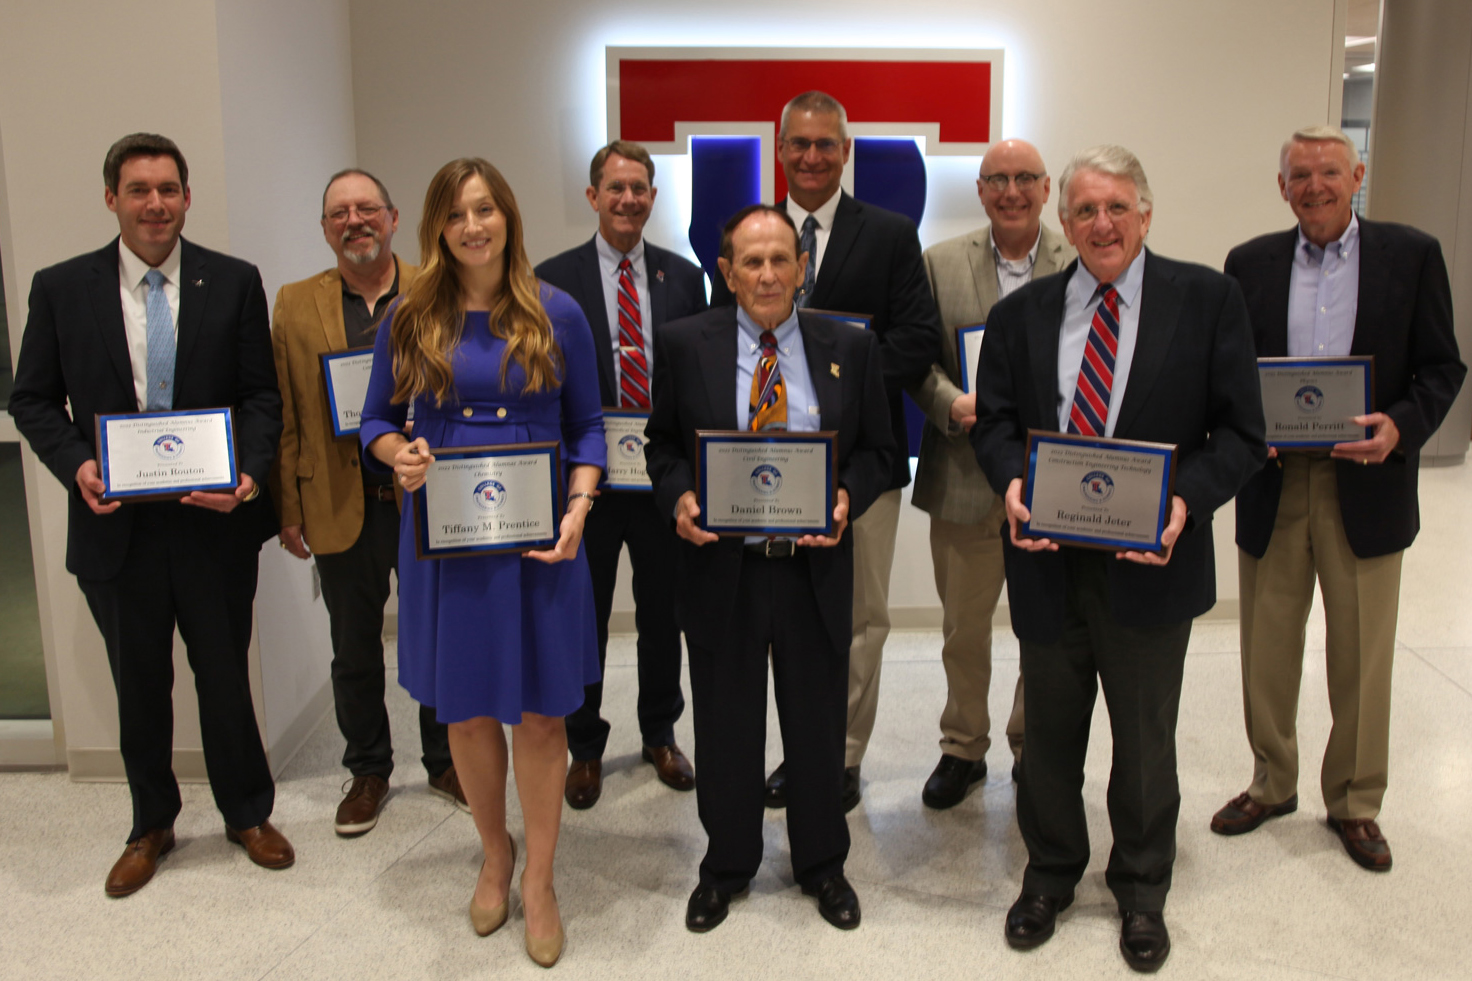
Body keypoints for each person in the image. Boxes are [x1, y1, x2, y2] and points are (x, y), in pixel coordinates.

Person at [970, 145, 1266, 971]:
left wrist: (1183, 502)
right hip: (1047, 560)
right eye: (1086, 210)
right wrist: (1011, 487)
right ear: (1064, 224)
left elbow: (1243, 433)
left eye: (1118, 207)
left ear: (1145, 214)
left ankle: (1141, 888)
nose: (1103, 223)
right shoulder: (1023, 315)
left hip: (1153, 565)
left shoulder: (1208, 300)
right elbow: (992, 424)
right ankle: (1051, 874)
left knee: (1144, 742)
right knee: (1050, 737)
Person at [8, 133, 292, 896]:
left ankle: (246, 811)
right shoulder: (60, 287)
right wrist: (78, 464)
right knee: (139, 684)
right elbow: (30, 397)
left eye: (169, 188)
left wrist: (248, 473)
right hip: (116, 530)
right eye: (139, 190)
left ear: (187, 197)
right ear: (113, 199)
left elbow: (262, 397)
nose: (156, 204)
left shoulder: (232, 282)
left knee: (225, 676)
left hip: (213, 525)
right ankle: (151, 823)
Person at [358, 158, 604, 968]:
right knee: (466, 710)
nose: (474, 225)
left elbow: (589, 429)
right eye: (457, 212)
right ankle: (494, 854)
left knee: (539, 712)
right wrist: (400, 456)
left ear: (508, 217)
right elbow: (374, 424)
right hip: (449, 539)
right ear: (435, 225)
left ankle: (541, 878)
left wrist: (578, 508)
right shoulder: (408, 313)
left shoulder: (556, 310)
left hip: (540, 539)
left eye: (486, 208)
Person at [1214, 126, 1464, 871]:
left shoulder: (1412, 254)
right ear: (1281, 185)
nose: (1314, 186)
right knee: (1267, 646)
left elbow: (1442, 367)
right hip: (1274, 481)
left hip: (1368, 480)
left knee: (1361, 653)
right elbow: (1229, 371)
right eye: (1299, 175)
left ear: (1357, 175)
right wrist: (1241, 427)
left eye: (1329, 171)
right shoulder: (1248, 263)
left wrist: (1401, 426)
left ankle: (1355, 799)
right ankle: (1271, 780)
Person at [644, 205, 894, 933]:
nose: (767, 273)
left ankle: (822, 863)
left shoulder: (848, 343)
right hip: (723, 568)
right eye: (750, 261)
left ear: (802, 267)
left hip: (813, 568)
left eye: (781, 259)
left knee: (818, 724)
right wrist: (677, 499)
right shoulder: (685, 343)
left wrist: (847, 497)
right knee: (725, 725)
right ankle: (726, 863)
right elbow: (659, 448)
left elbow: (881, 450)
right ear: (726, 271)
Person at [713, 91, 940, 813]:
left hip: (859, 460)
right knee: (764, 613)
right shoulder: (754, 230)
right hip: (758, 461)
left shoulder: (892, 233)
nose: (812, 156)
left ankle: (837, 757)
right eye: (798, 144)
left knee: (859, 613)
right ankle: (772, 746)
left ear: (845, 150)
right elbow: (726, 335)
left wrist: (838, 375)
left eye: (825, 144)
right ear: (779, 150)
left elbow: (915, 338)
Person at [269, 169, 465, 837]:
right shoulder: (294, 304)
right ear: (325, 229)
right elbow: (290, 412)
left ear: (391, 216)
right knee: (352, 645)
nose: (354, 222)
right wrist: (286, 505)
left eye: (366, 210)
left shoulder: (440, 288)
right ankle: (368, 768)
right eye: (338, 214)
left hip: (425, 498)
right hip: (337, 501)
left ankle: (444, 759)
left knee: (436, 633)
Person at [534, 141, 707, 810]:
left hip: (663, 477)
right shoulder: (550, 278)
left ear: (652, 197)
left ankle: (660, 731)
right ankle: (585, 745)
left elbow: (699, 376)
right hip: (589, 482)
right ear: (593, 196)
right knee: (587, 615)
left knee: (666, 612)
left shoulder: (684, 277)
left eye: (639, 188)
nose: (628, 199)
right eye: (616, 188)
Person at [911, 138, 1075, 808]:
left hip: (1055, 481)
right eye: (997, 179)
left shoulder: (1083, 260)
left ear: (1046, 189)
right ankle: (962, 746)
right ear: (979, 191)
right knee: (963, 630)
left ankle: (1030, 746)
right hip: (964, 471)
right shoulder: (939, 262)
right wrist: (953, 401)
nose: (1012, 190)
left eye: (1025, 178)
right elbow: (917, 362)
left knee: (1048, 627)